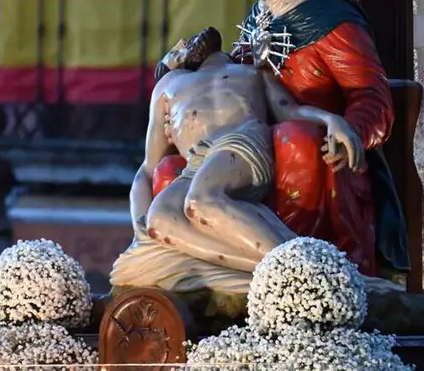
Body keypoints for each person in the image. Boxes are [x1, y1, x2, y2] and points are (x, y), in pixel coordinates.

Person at [210, 0, 408, 280]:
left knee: (296, 140)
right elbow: (240, 77)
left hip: (318, 156)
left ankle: (302, 274)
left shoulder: (329, 21)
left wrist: (352, 130)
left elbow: (371, 95)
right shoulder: (260, 16)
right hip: (260, 141)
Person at [110, 26, 366, 293]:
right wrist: (140, 230)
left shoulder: (252, 72)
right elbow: (147, 171)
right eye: (179, 47)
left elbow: (290, 111)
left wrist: (332, 120)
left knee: (201, 201)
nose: (188, 41)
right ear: (172, 62)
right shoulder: (168, 86)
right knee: (160, 220)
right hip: (198, 163)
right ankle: (276, 271)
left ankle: (300, 267)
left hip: (241, 143)